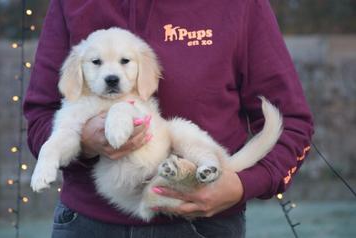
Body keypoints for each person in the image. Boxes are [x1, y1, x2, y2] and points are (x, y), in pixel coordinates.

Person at [23, 0, 314, 237]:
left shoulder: (240, 6)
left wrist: (242, 186)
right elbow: (40, 114)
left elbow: (293, 123)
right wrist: (85, 141)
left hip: (201, 225)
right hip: (86, 223)